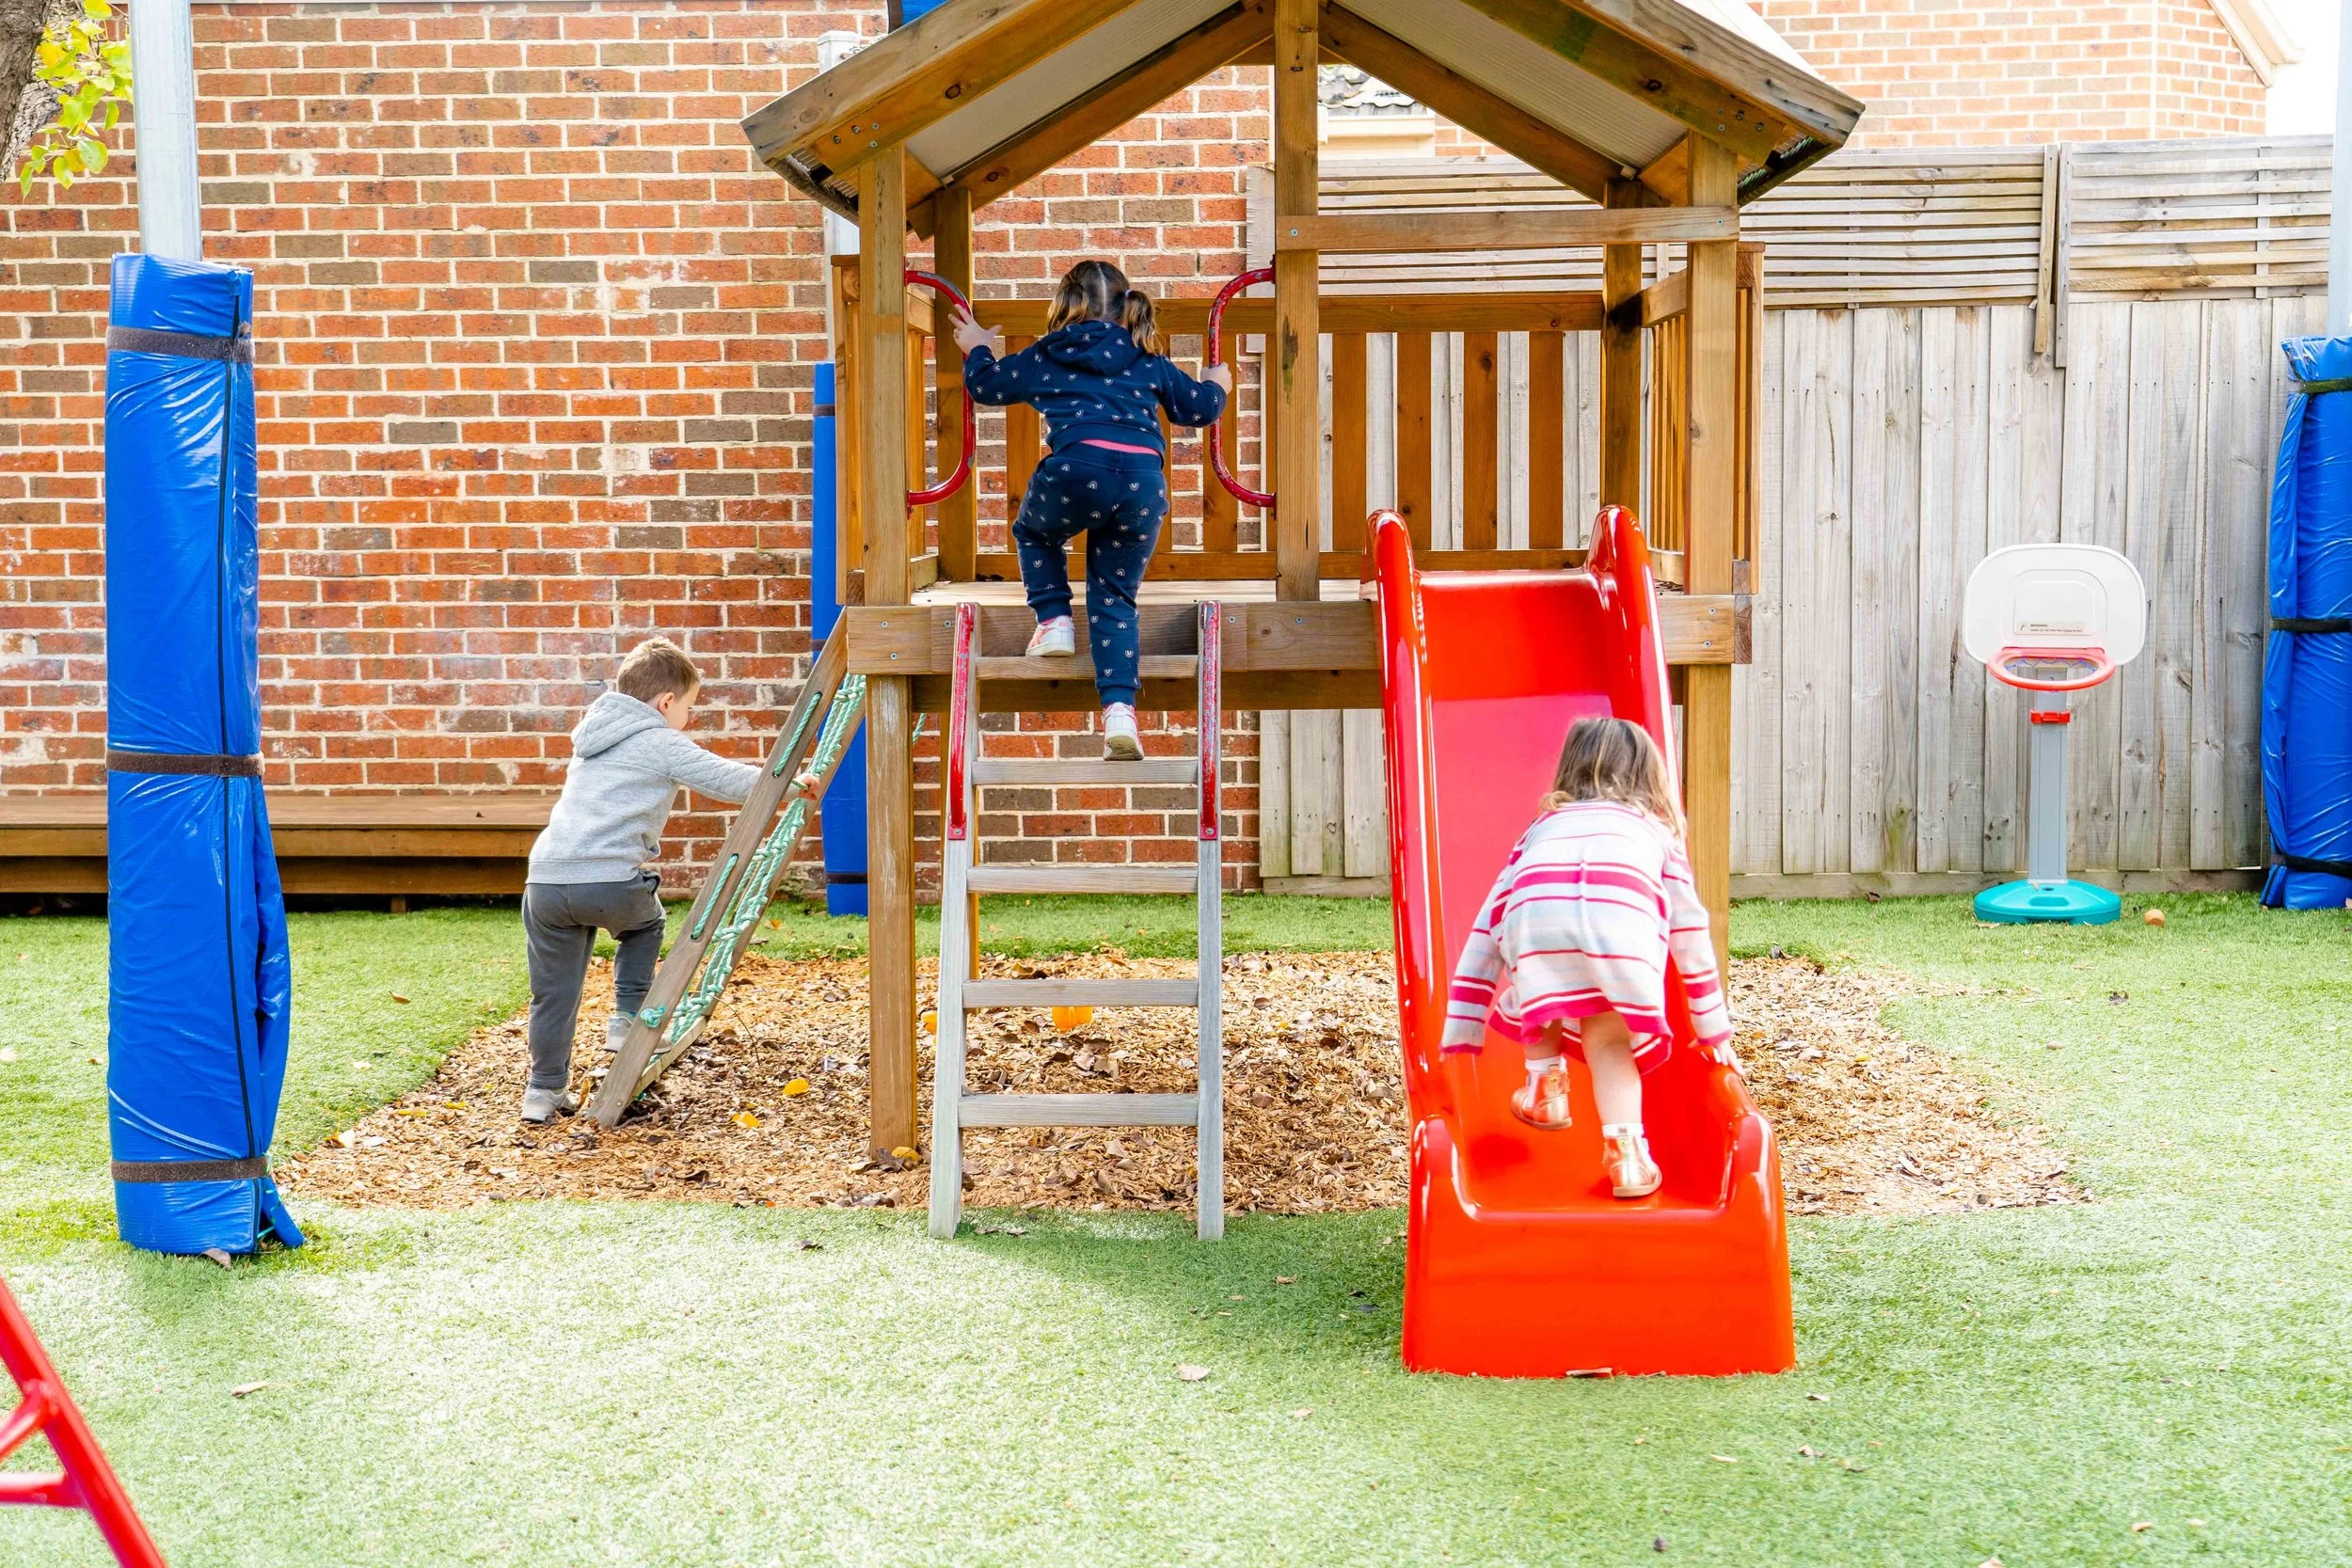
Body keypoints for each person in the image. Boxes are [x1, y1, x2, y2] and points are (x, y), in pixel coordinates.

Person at [950, 260, 1232, 761]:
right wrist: (1217, 384)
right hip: (1142, 486)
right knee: (1115, 597)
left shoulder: (1049, 353)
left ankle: (1055, 620)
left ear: (1065, 305)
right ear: (1127, 309)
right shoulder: (1148, 358)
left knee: (1036, 535)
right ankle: (1120, 715)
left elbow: (987, 387)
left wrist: (977, 347)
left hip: (1076, 472)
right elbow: (1198, 409)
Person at [1440, 716, 1733, 1198]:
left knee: (1543, 983)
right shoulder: (1655, 832)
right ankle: (1629, 1160)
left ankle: (1544, 1089)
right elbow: (1690, 929)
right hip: (1621, 936)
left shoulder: (1542, 830)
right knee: (1610, 1043)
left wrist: (1463, 1023)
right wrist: (1712, 1028)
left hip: (1536, 926)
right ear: (1649, 776)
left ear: (1568, 772)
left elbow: (1489, 923)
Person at [517, 638, 804, 1123]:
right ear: (665, 702)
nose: (688, 719)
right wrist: (792, 781)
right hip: (608, 879)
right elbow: (723, 778)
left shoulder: (591, 739)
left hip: (544, 881)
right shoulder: (659, 738)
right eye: (689, 708)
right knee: (645, 925)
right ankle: (628, 1018)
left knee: (553, 993)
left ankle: (542, 1093)